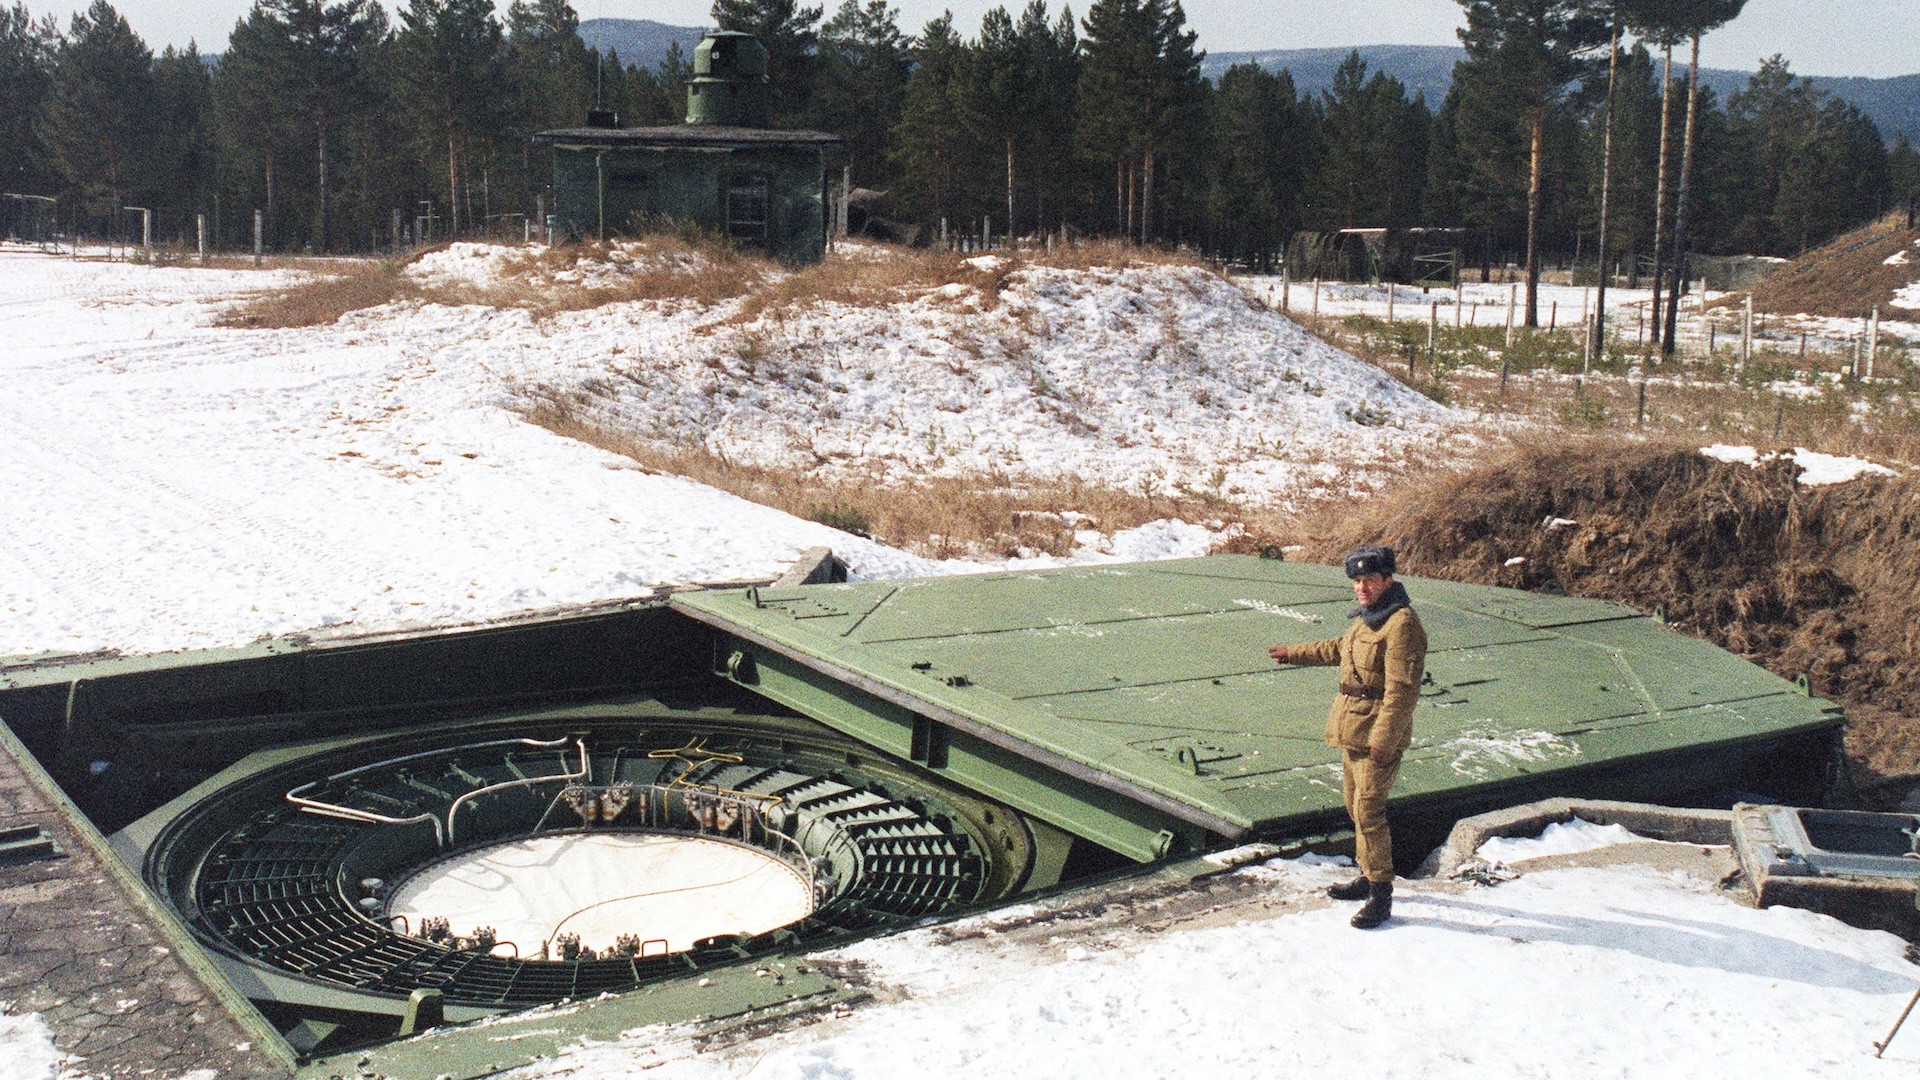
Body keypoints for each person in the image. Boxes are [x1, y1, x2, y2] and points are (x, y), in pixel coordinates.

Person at [1267, 545, 1427, 929]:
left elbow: (1402, 691)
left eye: (1369, 580)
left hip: (1376, 734)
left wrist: (1385, 741)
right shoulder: (1368, 620)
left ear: (1388, 580)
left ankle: (1381, 894)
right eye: (1357, 582)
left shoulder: (1401, 624)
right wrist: (1294, 653)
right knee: (1355, 807)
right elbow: (1339, 649)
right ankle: (1366, 875)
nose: (1362, 588)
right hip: (1352, 728)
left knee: (1370, 812)